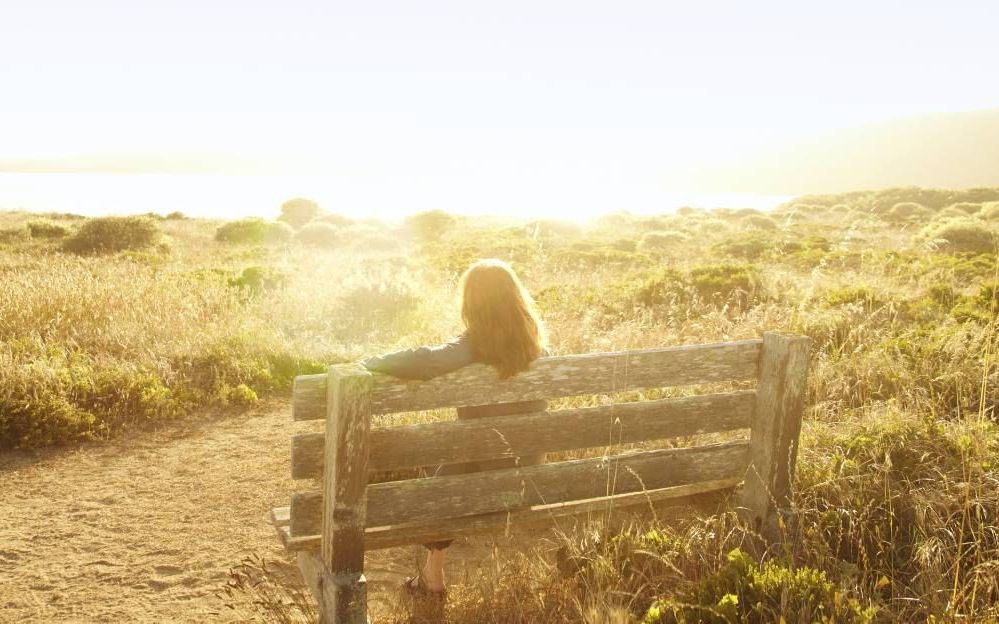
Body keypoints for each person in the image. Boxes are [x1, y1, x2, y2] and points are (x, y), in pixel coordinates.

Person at [361, 258, 548, 615]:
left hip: (477, 483)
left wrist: (369, 363)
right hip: (529, 480)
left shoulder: (473, 345)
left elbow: (427, 361)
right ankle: (431, 576)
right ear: (516, 298)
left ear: (472, 303)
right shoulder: (536, 345)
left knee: (442, 480)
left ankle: (432, 578)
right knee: (461, 459)